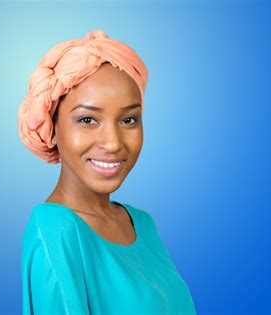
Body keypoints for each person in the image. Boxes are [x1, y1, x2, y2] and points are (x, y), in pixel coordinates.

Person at [18, 29, 197, 315]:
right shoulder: (55, 230)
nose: (113, 142)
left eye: (128, 119)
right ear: (52, 129)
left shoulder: (142, 224)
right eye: (88, 119)